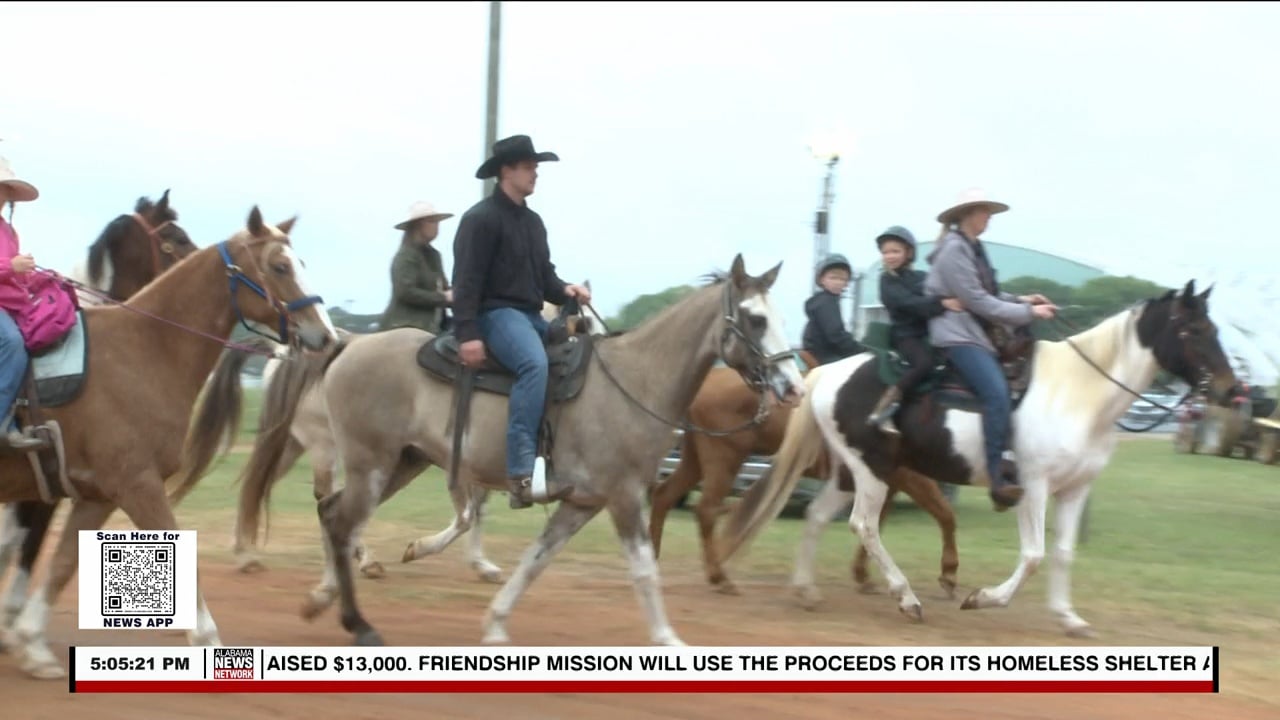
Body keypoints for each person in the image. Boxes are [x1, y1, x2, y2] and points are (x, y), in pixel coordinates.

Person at [450, 135, 591, 510]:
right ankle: (521, 474)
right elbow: (465, 282)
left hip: (529, 315)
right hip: (495, 315)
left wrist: (568, 291)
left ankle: (558, 455)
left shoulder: (532, 222)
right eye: (529, 167)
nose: (535, 174)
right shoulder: (479, 220)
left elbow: (545, 278)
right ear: (506, 171)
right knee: (534, 364)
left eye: (535, 168)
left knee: (580, 358)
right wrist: (468, 334)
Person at [924, 189, 1057, 510]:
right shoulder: (955, 250)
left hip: (975, 332)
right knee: (997, 392)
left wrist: (1023, 300)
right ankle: (998, 475)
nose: (989, 219)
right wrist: (1028, 314)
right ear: (968, 214)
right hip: (957, 336)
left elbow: (990, 293)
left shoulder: (974, 248)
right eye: (986, 213)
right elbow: (979, 302)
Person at [866, 225, 964, 434]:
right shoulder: (886, 281)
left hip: (929, 333)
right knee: (924, 364)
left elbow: (935, 288)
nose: (889, 256)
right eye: (885, 252)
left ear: (908, 253)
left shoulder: (920, 276)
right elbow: (909, 303)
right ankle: (889, 401)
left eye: (895, 251)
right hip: (906, 335)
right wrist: (942, 304)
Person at [0, 154, 49, 450]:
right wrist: (10, 267)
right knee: (13, 343)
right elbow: (7, 268)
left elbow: (13, 276)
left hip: (9, 305)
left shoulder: (9, 231)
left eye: (6, 190)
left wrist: (36, 277)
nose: (3, 196)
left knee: (42, 337)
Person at [380, 200, 455, 334]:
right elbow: (405, 292)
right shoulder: (406, 256)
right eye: (432, 221)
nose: (437, 226)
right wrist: (444, 298)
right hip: (404, 328)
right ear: (418, 225)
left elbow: (443, 287)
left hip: (432, 327)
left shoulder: (434, 255)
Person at [801, 253, 864, 365]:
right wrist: (861, 351)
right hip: (823, 355)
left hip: (819, 352)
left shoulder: (824, 301)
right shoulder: (826, 302)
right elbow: (836, 335)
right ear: (821, 280)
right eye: (833, 278)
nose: (838, 282)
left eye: (843, 279)